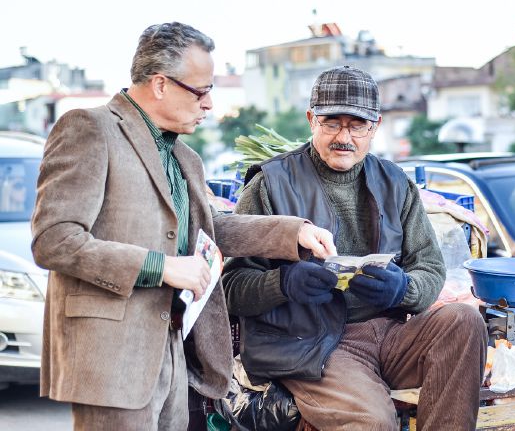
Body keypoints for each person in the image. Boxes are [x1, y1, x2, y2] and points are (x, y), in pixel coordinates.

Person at [30, 22, 336, 431]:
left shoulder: (185, 157)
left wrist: (292, 233)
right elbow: (54, 240)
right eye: (200, 91)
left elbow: (209, 228)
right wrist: (162, 267)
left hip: (173, 353)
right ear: (160, 84)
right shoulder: (90, 128)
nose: (209, 104)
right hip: (110, 358)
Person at [222, 65, 488, 430]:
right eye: (332, 123)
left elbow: (429, 268)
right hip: (312, 345)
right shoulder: (270, 184)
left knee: (464, 320)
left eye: (357, 125)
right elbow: (231, 288)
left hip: (389, 335)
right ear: (311, 120)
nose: (344, 137)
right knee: (372, 422)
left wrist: (402, 289)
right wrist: (283, 284)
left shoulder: (395, 182)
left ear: (375, 126)